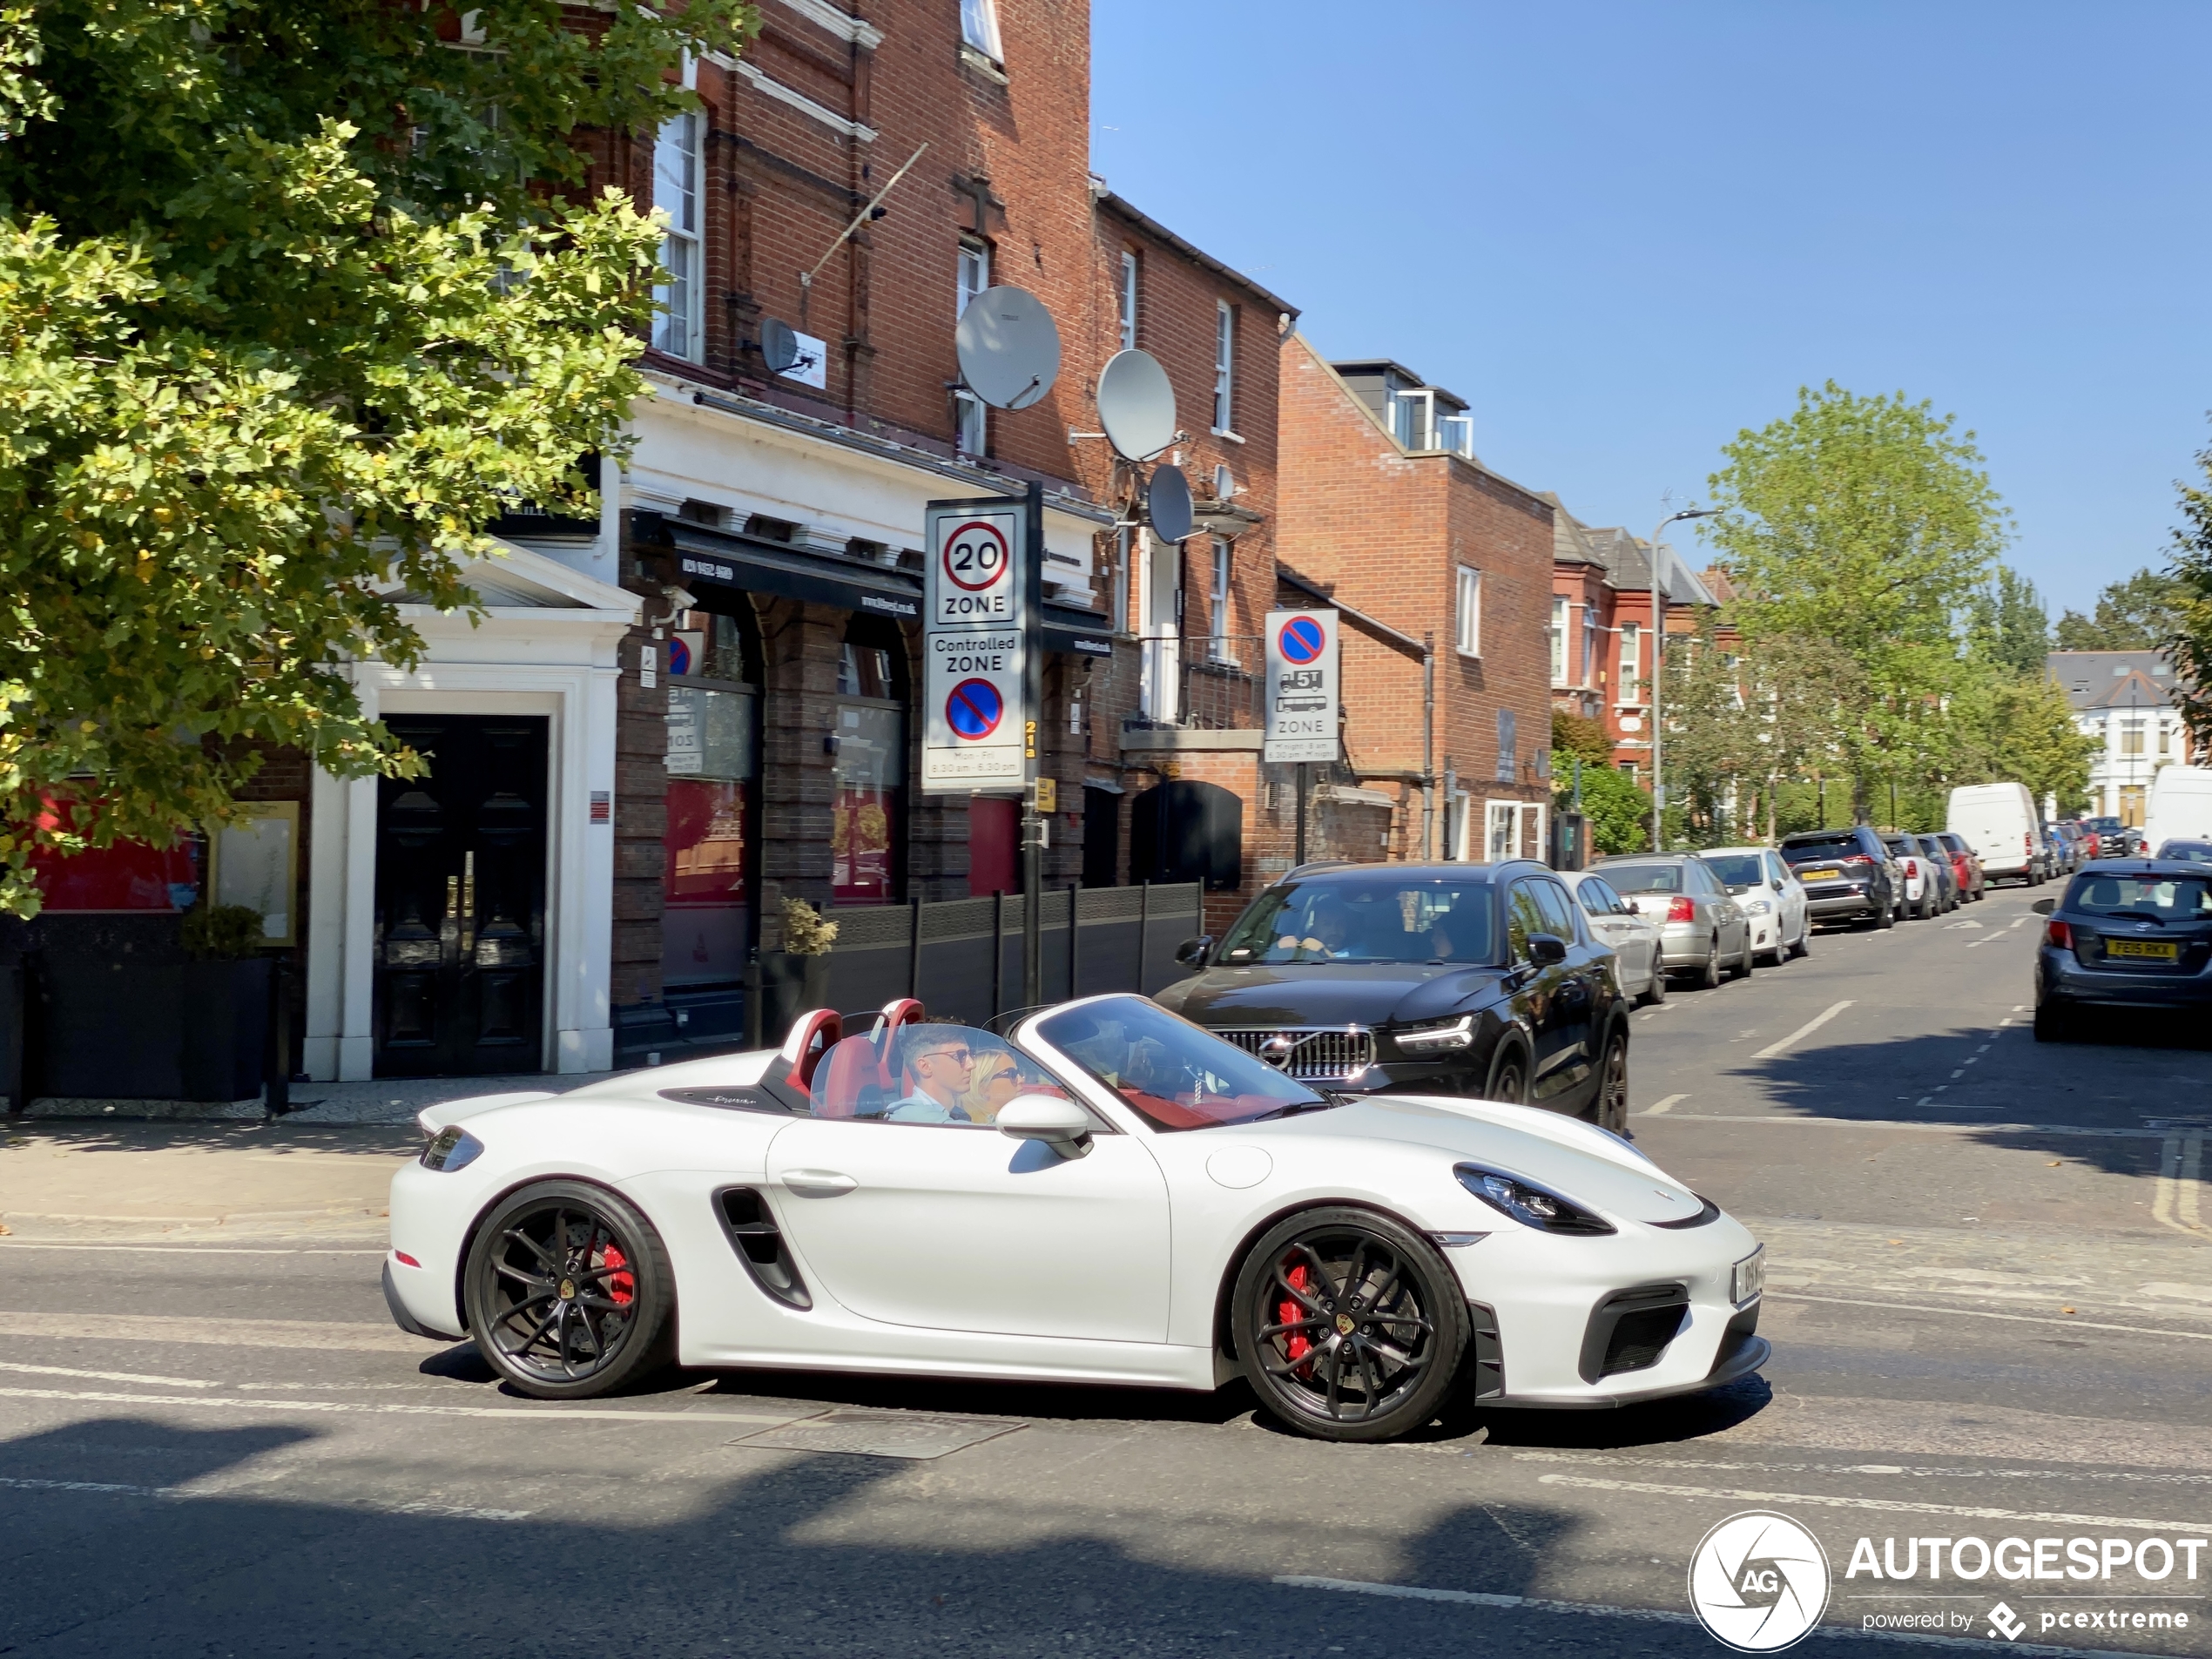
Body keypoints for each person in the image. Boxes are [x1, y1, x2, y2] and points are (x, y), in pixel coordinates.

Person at [883, 1027, 979, 1123]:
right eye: (960, 1055)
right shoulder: (912, 1115)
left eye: (970, 1054)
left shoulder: (957, 1113)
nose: (972, 1064)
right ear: (925, 1067)